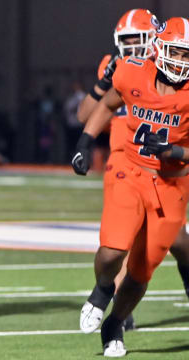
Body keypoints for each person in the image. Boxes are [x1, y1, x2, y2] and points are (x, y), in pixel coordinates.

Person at [71, 17, 189, 357]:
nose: (180, 62)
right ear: (159, 49)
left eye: (186, 55)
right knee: (112, 249)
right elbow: (107, 104)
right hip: (130, 168)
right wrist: (84, 141)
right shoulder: (130, 70)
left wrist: (176, 152)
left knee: (142, 269)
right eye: (175, 53)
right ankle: (102, 290)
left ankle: (115, 323)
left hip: (172, 182)